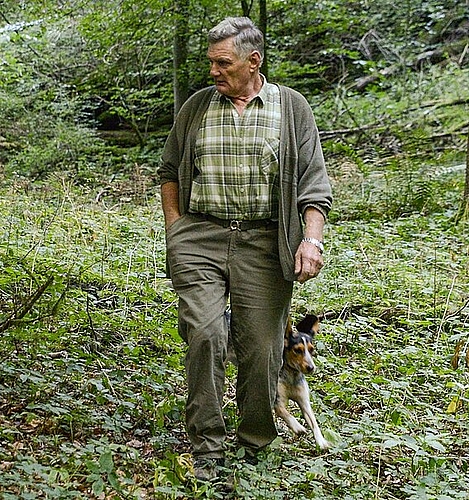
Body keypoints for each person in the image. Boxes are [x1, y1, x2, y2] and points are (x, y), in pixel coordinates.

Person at [158, 17, 332, 481]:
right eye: (211, 61)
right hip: (201, 238)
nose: (214, 70)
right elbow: (170, 171)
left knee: (262, 347)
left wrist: (310, 239)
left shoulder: (292, 109)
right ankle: (208, 449)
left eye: (223, 62)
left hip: (264, 242)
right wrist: (177, 231)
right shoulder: (196, 107)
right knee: (206, 335)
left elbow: (314, 186)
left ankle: (255, 441)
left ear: (253, 61)